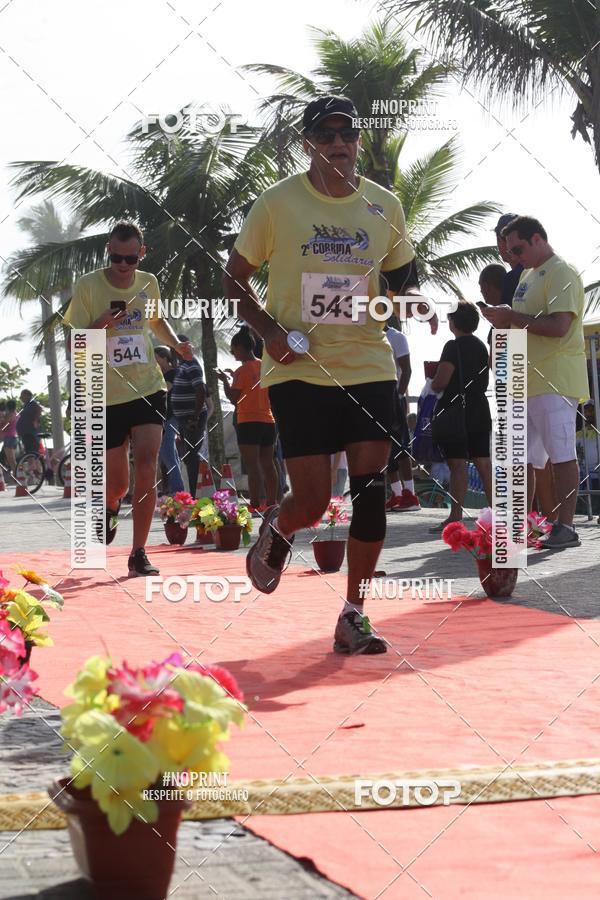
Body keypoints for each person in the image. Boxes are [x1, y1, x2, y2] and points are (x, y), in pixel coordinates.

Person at [224, 94, 437, 656]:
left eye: (348, 134)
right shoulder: (277, 203)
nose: (339, 143)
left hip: (367, 364)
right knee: (314, 502)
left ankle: (353, 614)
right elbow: (235, 279)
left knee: (370, 494)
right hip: (299, 371)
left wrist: (414, 302)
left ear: (358, 142)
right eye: (326, 134)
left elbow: (401, 279)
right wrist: (269, 331)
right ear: (308, 144)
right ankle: (281, 524)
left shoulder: (384, 205)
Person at [63, 220, 193, 576]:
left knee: (148, 464)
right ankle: (110, 506)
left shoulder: (148, 282)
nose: (123, 265)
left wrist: (175, 344)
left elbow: (156, 322)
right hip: (104, 395)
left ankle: (138, 552)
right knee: (118, 484)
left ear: (142, 253)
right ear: (109, 250)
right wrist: (101, 323)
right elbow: (74, 344)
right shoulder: (88, 285)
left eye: (131, 259)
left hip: (147, 388)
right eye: (117, 258)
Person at [482, 215, 588, 549]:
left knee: (561, 454)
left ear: (538, 239)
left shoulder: (561, 272)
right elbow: (522, 325)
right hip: (524, 379)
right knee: (519, 457)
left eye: (518, 249)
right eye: (509, 250)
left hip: (555, 378)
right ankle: (520, 526)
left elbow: (559, 326)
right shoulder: (527, 275)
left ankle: (566, 526)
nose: (512, 256)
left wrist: (510, 316)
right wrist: (502, 322)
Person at [429, 301, 493, 532]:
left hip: (457, 412)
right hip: (479, 408)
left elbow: (442, 381)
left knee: (458, 465)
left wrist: (432, 382)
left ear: (453, 322)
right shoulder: (481, 346)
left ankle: (455, 516)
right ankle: (498, 515)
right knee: (483, 464)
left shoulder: (452, 346)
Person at [217, 328, 278, 512]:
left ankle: (255, 504)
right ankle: (272, 502)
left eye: (233, 349)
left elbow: (233, 398)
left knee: (252, 466)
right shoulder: (265, 365)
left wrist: (224, 381)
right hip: (268, 420)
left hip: (248, 421)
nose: (232, 352)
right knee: (268, 463)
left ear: (241, 347)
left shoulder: (241, 371)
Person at [384, 322, 420, 511]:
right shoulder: (365, 336)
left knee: (401, 447)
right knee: (385, 449)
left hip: (394, 398)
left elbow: (407, 369)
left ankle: (410, 495)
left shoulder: (396, 337)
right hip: (376, 398)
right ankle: (397, 494)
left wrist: (398, 396)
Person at [170, 332, 208, 498]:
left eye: (174, 348)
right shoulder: (183, 366)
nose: (172, 351)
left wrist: (195, 417)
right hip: (184, 419)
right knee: (188, 456)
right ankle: (194, 493)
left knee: (191, 456)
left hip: (192, 418)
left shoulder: (191, 365)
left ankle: (195, 495)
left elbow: (201, 390)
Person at [154, 346, 185, 495]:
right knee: (170, 453)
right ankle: (177, 489)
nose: (154, 362)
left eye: (156, 358)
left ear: (164, 358)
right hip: (167, 417)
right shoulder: (167, 374)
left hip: (172, 417)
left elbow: (164, 391)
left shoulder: (172, 373)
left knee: (167, 453)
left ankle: (177, 490)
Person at [16, 390, 42, 454]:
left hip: (30, 433)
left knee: (31, 452)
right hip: (26, 433)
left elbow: (39, 409)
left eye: (22, 395)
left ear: (27, 395)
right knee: (29, 452)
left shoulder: (32, 403)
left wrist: (35, 420)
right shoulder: (26, 405)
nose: (20, 397)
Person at [1, 400, 18, 477]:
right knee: (11, 460)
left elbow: (5, 424)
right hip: (13, 437)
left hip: (9, 438)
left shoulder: (10, 415)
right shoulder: (16, 414)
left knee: (11, 460)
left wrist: (2, 418)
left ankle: (16, 476)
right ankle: (16, 475)